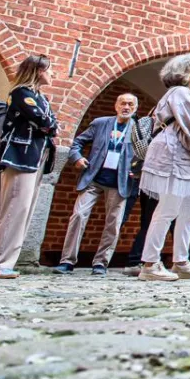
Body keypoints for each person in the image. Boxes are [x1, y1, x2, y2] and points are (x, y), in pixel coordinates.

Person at [138, 54, 190, 282]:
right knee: (168, 208)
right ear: (186, 72)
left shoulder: (185, 94)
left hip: (188, 158)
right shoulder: (180, 92)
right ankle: (150, 264)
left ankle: (181, 261)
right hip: (175, 154)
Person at [53, 93, 138, 276]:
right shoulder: (101, 123)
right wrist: (77, 158)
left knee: (113, 224)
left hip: (119, 182)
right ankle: (67, 261)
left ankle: (101, 263)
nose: (126, 107)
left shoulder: (137, 130)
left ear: (135, 108)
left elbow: (145, 155)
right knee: (78, 215)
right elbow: (78, 142)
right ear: (116, 106)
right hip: (93, 177)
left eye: (130, 104)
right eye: (123, 103)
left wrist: (137, 170)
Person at [0, 55, 58, 280]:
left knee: (24, 211)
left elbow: (52, 123)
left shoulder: (40, 97)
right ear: (38, 71)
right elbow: (45, 122)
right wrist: (49, 125)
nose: (52, 73)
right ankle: (1, 262)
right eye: (49, 69)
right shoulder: (21, 93)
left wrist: (50, 125)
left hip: (36, 157)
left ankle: (7, 261)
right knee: (14, 209)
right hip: (20, 156)